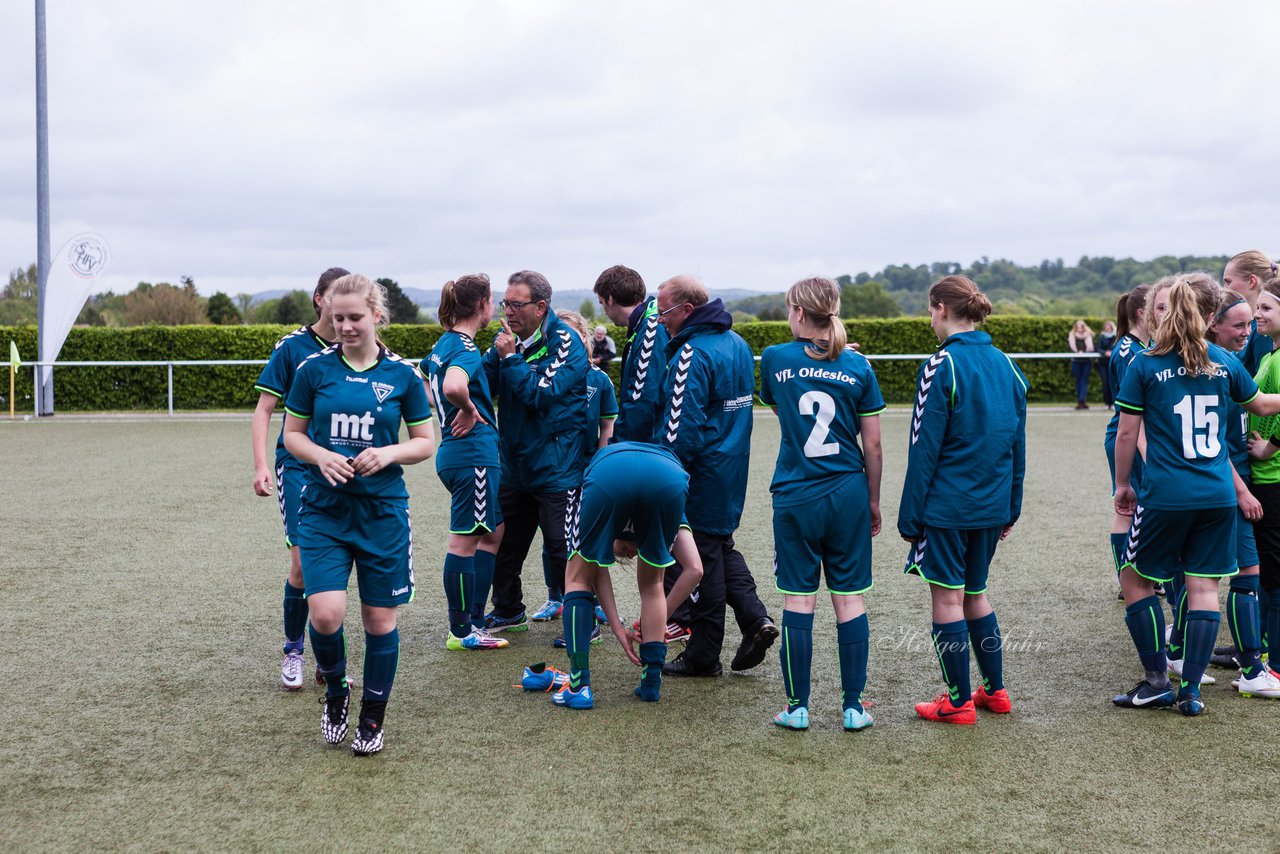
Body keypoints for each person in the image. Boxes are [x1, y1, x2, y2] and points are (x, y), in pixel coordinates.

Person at [1112, 273, 1280, 716]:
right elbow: (1262, 404)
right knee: (1205, 588)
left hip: (1166, 494)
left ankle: (1154, 681)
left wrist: (1123, 485)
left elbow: (1127, 433)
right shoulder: (1223, 360)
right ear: (1207, 317)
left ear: (1160, 315)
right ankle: (1191, 693)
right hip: (1219, 495)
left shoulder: (1145, 363)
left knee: (1135, 579)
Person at [282, 273, 435, 754]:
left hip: (383, 514)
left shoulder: (404, 376)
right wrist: (320, 456)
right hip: (325, 511)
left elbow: (425, 442)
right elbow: (292, 435)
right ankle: (335, 691)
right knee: (326, 615)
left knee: (378, 622)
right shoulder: (313, 369)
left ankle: (372, 717)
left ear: (376, 315)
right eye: (337, 317)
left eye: (354, 317)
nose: (345, 326)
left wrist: (389, 454)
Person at [899, 275, 1027, 725]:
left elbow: (923, 448)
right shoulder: (1008, 365)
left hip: (948, 509)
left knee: (949, 600)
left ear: (939, 308)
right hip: (992, 507)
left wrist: (909, 517)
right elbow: (1017, 445)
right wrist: (1012, 505)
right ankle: (995, 691)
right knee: (977, 595)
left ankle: (957, 701)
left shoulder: (942, 366)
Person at [759, 277, 884, 732]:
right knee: (849, 600)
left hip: (796, 494)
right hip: (848, 492)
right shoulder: (859, 366)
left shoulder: (774, 358)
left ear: (797, 312)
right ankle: (853, 708)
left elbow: (785, 414)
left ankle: (797, 707)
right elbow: (872, 447)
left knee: (799, 599)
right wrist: (872, 501)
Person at [655, 275, 777, 677]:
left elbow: (680, 430)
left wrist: (664, 478)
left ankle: (703, 656)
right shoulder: (738, 344)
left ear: (687, 311)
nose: (659, 320)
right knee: (720, 547)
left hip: (700, 472)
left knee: (699, 559)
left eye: (664, 311)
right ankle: (755, 619)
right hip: (731, 466)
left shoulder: (691, 353)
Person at [551, 442, 704, 709]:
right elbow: (695, 569)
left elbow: (590, 574)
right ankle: (651, 684)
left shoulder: (591, 501)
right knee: (653, 585)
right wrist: (627, 629)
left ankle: (578, 686)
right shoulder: (668, 502)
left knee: (576, 578)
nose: (631, 553)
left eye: (627, 552)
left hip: (610, 471)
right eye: (626, 552)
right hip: (666, 475)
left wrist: (639, 626)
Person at [251, 265, 347, 689]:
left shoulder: (358, 343)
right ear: (319, 298)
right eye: (335, 297)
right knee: (303, 565)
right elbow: (264, 411)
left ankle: (329, 657)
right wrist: (260, 465)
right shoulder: (292, 347)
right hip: (298, 467)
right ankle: (293, 650)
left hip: (343, 470)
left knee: (337, 565)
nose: (343, 308)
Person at [482, 271, 590, 633]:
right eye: (505, 303)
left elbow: (541, 394)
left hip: (557, 467)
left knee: (562, 547)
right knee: (505, 544)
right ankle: (509, 609)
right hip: (514, 465)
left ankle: (582, 620)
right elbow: (482, 383)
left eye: (516, 304)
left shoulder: (567, 343)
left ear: (540, 306)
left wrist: (510, 359)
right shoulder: (505, 341)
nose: (508, 311)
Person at [423, 273, 508, 651]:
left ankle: (474, 617)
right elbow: (452, 386)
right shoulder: (465, 348)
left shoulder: (444, 343)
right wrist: (469, 408)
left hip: (457, 453)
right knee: (465, 542)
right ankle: (462, 631)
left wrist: (446, 412)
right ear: (482, 305)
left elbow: (424, 375)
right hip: (472, 454)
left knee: (493, 533)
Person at [549, 309, 618, 648]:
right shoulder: (547, 377)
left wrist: (601, 465)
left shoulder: (598, 379)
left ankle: (587, 618)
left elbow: (607, 426)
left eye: (573, 335)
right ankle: (573, 606)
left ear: (585, 340)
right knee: (564, 546)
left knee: (579, 547)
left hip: (585, 473)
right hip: (551, 474)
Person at [1240, 276, 1280, 692]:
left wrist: (1269, 447)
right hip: (1266, 476)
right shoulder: (1272, 353)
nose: (1257, 314)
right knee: (1268, 570)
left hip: (1273, 476)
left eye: (1267, 308)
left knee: (1274, 574)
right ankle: (1265, 652)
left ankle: (1275, 662)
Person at [1103, 285, 1150, 594]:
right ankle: (1128, 580)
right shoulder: (1127, 351)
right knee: (1127, 508)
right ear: (1142, 313)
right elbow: (1132, 409)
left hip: (1141, 436)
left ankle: (1142, 576)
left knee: (1142, 506)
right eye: (1161, 308)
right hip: (1130, 437)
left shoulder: (1147, 347)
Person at [592, 265, 668, 444]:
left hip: (650, 444)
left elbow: (642, 397)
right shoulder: (644, 325)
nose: (604, 311)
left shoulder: (651, 328)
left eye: (602, 303)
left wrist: (618, 445)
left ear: (610, 299)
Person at [1223, 250, 1278, 374]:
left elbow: (1265, 385)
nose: (1224, 288)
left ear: (1251, 281)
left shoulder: (1263, 331)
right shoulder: (1251, 326)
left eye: (1228, 282)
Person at [1068, 319, 1095, 409]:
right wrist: (1077, 353)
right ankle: (1080, 401)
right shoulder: (1072, 336)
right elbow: (1071, 348)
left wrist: (1084, 353)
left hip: (1086, 361)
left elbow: (1091, 348)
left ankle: (1082, 400)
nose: (1080, 328)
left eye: (1081, 326)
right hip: (1076, 361)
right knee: (1078, 381)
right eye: (1078, 326)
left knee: (1084, 381)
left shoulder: (1088, 336)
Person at [1097, 320, 1117, 405]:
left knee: (1113, 384)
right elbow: (1098, 348)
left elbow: (1117, 347)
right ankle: (1106, 402)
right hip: (1103, 363)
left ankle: (1113, 403)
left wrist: (1112, 352)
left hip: (1113, 363)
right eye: (1106, 327)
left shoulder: (1116, 337)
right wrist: (1105, 353)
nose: (1108, 329)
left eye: (1109, 327)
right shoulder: (1101, 337)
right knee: (1105, 384)